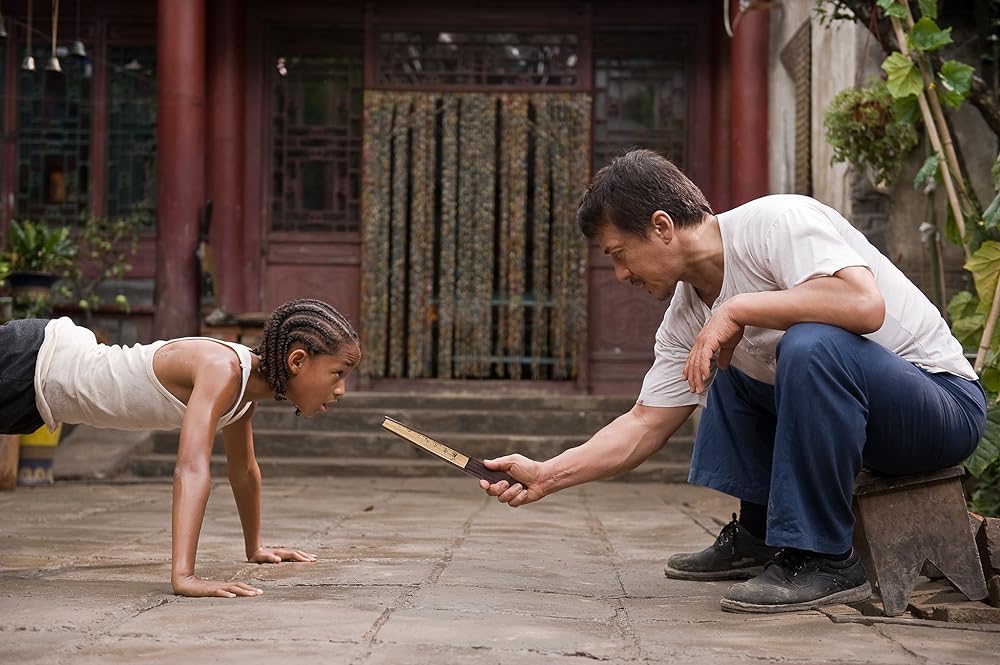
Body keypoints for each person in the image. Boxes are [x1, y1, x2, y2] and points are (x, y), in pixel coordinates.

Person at [479, 148, 986, 613]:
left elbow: (862, 304)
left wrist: (738, 308)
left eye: (618, 253)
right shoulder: (684, 316)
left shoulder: (777, 223)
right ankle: (760, 534)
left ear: (661, 227)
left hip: (941, 406)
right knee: (718, 360)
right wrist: (548, 474)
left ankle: (827, 558)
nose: (620, 275)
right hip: (867, 423)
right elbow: (643, 424)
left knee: (810, 343)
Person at [0, 297, 362, 598]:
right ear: (297, 361)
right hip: (31, 362)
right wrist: (184, 576)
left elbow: (243, 470)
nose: (341, 389)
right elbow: (191, 468)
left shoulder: (245, 394)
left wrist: (256, 548)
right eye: (338, 373)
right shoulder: (224, 371)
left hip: (37, 395)